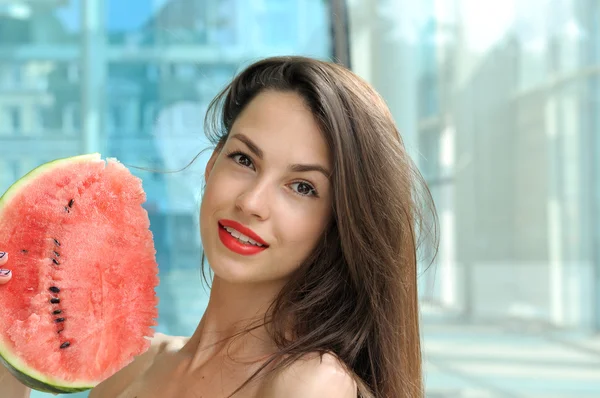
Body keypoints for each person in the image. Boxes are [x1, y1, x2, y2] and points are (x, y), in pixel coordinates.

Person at [0, 56, 437, 398]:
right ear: (211, 165)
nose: (251, 202)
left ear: (338, 221)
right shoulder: (131, 364)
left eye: (302, 187)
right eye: (244, 160)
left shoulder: (311, 381)